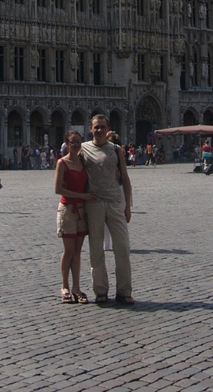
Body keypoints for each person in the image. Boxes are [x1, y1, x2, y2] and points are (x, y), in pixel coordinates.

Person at [80, 114, 134, 306]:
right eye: (96, 127)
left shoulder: (116, 149)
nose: (99, 130)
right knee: (96, 250)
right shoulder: (83, 148)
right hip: (94, 204)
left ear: (108, 129)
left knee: (122, 248)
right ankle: (101, 290)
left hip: (114, 203)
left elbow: (125, 178)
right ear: (90, 128)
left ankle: (124, 290)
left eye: (103, 127)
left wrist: (128, 205)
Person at [54, 130, 96, 303]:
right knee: (69, 250)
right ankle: (64, 286)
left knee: (77, 252)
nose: (77, 145)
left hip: (81, 210)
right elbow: (58, 189)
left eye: (79, 141)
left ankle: (76, 287)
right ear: (67, 144)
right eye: (73, 142)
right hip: (67, 210)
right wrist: (82, 197)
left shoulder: (83, 162)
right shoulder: (62, 163)